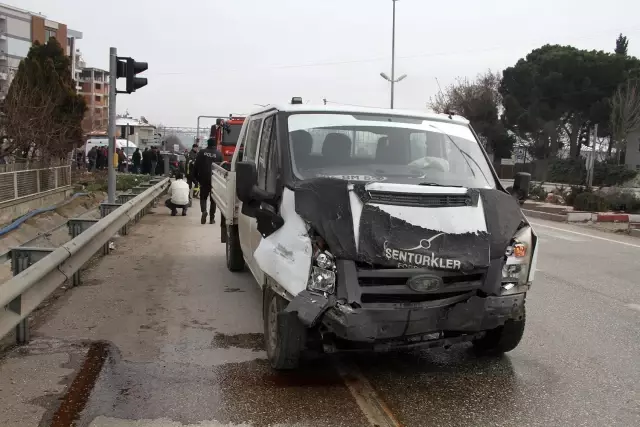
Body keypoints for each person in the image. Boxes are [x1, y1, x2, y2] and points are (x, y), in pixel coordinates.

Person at [193, 137, 222, 224]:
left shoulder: (201, 152)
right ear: (215, 144)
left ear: (207, 144)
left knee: (203, 197)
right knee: (213, 200)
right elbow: (221, 168)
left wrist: (196, 178)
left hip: (203, 179)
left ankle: (204, 211)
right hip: (214, 179)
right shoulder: (219, 154)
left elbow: (196, 165)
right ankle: (212, 218)